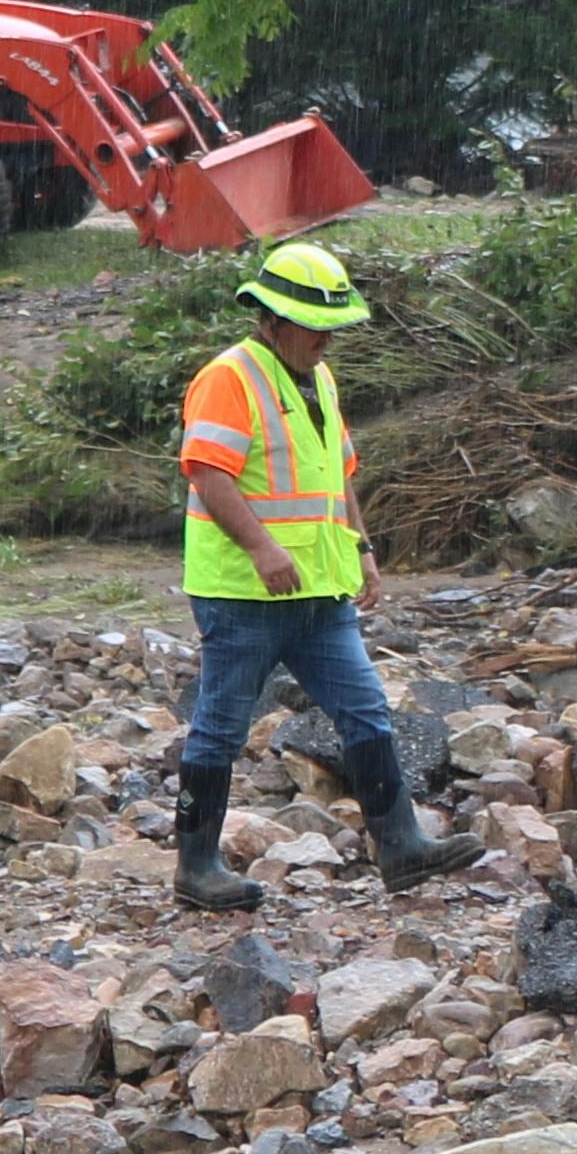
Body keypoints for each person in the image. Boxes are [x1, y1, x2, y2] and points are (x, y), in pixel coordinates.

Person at [169, 241, 470, 912]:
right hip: (243, 593)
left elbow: (339, 475)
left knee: (364, 708)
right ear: (272, 319)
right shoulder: (231, 376)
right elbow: (207, 470)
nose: (326, 339)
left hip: (318, 592)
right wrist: (261, 548)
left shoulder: (319, 381)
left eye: (332, 327)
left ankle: (402, 847)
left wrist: (361, 547)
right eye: (314, 325)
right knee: (219, 725)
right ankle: (195, 866)